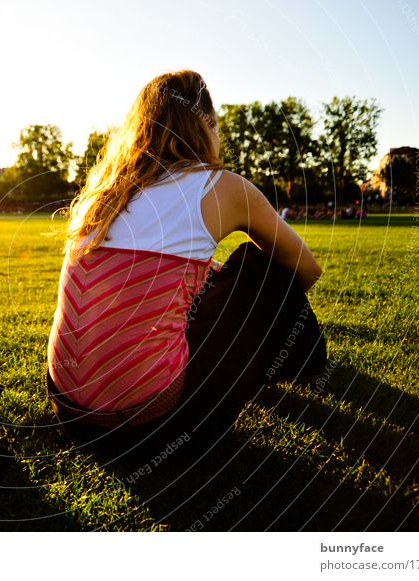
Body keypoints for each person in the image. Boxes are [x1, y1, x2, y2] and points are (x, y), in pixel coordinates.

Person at [45, 69, 326, 456]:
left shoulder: (102, 194)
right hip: (149, 430)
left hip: (69, 410)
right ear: (206, 123)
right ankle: (293, 363)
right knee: (263, 268)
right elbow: (306, 268)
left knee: (201, 282)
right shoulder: (220, 185)